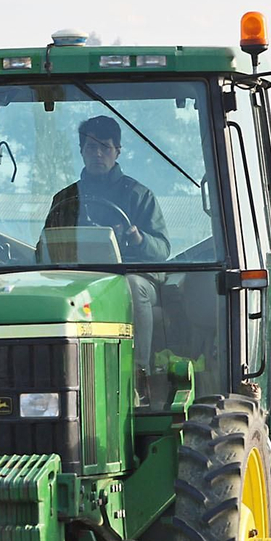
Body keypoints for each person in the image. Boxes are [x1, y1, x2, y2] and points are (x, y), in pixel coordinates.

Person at [40, 115, 171, 396]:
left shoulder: (139, 196)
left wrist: (139, 239)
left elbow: (163, 249)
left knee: (132, 287)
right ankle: (52, 378)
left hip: (131, 278)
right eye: (91, 147)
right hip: (76, 278)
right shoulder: (64, 200)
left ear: (117, 151)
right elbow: (46, 246)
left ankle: (138, 375)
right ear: (82, 151)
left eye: (105, 147)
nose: (98, 154)